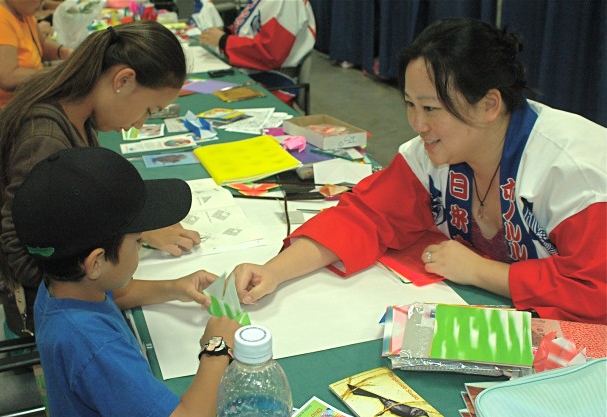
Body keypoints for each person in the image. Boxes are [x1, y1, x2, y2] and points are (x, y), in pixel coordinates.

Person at [231, 18, 607, 325]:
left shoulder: (573, 172)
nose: (416, 124)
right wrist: (274, 272)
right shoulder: (432, 154)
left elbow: (596, 290)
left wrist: (480, 272)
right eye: (410, 105)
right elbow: (365, 216)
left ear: (489, 104)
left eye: (431, 109)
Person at [0, 21, 202, 337]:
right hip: (46, 311)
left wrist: (135, 228)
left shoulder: (71, 109)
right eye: (149, 109)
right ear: (123, 80)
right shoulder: (46, 140)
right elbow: (25, 259)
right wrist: (134, 253)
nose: (139, 124)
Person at [12, 147, 241, 417]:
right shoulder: (94, 345)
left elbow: (114, 294)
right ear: (96, 262)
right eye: (137, 241)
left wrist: (174, 287)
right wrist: (216, 349)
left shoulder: (60, 284)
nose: (141, 245)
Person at [0, 0, 73, 137]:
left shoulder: (21, 11)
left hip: (25, 105)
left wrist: (65, 53)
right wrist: (60, 73)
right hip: (0, 116)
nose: (42, 3)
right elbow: (7, 77)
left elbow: (40, 44)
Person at [198, 0, 316, 103]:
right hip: (250, 75)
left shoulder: (285, 2)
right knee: (195, 88)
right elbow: (249, 32)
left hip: (272, 85)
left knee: (200, 101)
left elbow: (271, 54)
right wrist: (226, 32)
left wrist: (224, 40)